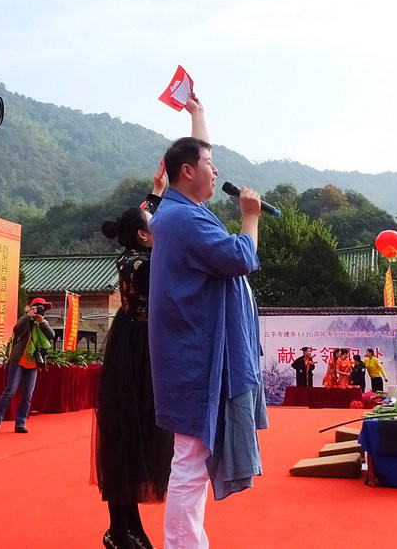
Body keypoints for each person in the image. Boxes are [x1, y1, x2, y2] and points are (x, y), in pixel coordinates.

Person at [149, 130, 266, 549]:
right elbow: (240, 257)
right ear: (188, 170)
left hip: (192, 351)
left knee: (192, 460)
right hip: (196, 355)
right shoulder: (184, 217)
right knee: (190, 462)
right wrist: (250, 217)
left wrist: (197, 114)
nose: (216, 171)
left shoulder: (178, 212)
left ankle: (189, 543)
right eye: (210, 164)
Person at [94, 203, 174, 549]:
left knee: (127, 439)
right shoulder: (148, 263)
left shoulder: (133, 256)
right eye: (153, 223)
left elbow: (147, 223)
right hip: (139, 353)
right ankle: (119, 530)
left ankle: (126, 528)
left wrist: (155, 196)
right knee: (130, 439)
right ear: (143, 235)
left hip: (131, 346)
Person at [0, 298, 56, 433]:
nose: (41, 311)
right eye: (39, 308)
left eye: (44, 309)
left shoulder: (43, 323)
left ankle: (20, 423)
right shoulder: (25, 321)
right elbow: (16, 329)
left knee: (27, 396)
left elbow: (51, 335)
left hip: (33, 364)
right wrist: (28, 317)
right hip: (18, 361)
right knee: (10, 392)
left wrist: (42, 322)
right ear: (32, 308)